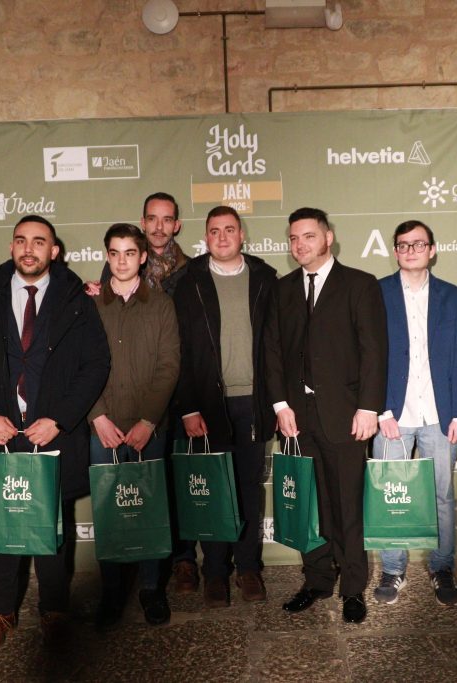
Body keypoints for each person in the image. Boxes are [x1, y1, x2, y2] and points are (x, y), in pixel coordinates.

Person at [0, 215, 109, 651]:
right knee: (1, 526)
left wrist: (59, 419)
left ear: (54, 251)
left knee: (50, 526)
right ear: (11, 247)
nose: (29, 248)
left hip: (50, 433)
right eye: (21, 240)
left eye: (39, 241)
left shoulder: (75, 298)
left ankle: (54, 609)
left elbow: (96, 364)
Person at [264, 207, 387, 624]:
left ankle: (353, 587)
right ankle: (317, 580)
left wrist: (368, 407)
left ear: (328, 237)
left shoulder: (360, 284)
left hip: (346, 415)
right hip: (297, 418)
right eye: (293, 238)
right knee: (307, 502)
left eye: (309, 236)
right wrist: (280, 405)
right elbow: (272, 352)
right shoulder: (281, 290)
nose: (300, 245)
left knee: (347, 506)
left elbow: (374, 350)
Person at [172, 206, 278, 608]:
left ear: (241, 235)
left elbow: (278, 345)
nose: (222, 237)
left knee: (249, 488)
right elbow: (179, 352)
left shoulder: (265, 279)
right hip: (207, 405)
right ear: (206, 237)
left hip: (254, 402)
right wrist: (188, 407)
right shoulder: (188, 283)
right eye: (214, 231)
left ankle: (248, 568)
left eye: (229, 229)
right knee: (214, 490)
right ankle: (215, 572)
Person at [373, 220, 457, 607]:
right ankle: (392, 569)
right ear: (395, 251)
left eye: (419, 244)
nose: (411, 250)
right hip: (391, 416)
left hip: (440, 415)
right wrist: (380, 408)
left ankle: (442, 567)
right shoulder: (377, 293)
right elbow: (369, 356)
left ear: (432, 250)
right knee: (390, 494)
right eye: (403, 244)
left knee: (442, 497)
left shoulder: (453, 297)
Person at [89, 223, 179, 628]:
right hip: (102, 427)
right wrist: (97, 416)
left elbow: (168, 366)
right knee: (108, 509)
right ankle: (111, 590)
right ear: (107, 256)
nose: (121, 261)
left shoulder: (161, 305)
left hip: (149, 427)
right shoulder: (90, 304)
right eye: (114, 253)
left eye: (130, 253)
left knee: (150, 507)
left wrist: (148, 420)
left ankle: (151, 588)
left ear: (143, 257)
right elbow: (79, 365)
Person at [94, 191, 190, 295]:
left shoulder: (190, 269)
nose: (159, 227)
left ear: (176, 226)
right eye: (152, 219)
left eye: (167, 220)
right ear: (143, 223)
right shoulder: (121, 264)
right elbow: (104, 299)